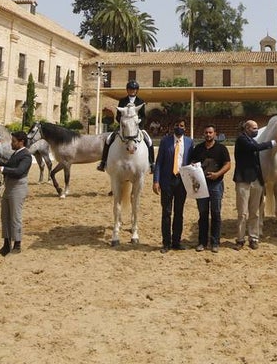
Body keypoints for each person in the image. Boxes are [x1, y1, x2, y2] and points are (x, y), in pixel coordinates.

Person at [233, 118, 276, 250]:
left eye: (257, 128)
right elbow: (254, 148)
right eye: (254, 128)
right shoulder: (242, 140)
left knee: (255, 212)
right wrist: (270, 143)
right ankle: (240, 239)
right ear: (247, 129)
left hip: (256, 180)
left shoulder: (251, 140)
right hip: (243, 180)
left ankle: (253, 237)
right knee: (242, 213)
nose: (256, 130)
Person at [190, 124, 231, 252]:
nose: (208, 135)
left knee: (216, 213)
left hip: (216, 185)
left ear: (215, 134)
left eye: (210, 132)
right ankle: (202, 242)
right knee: (202, 214)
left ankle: (215, 242)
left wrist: (218, 174)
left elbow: (228, 164)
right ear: (204, 134)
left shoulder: (221, 148)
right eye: (206, 132)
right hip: (201, 186)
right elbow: (192, 163)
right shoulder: (198, 148)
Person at [152, 118, 191, 253]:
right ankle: (166, 243)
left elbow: (192, 162)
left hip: (182, 182)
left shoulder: (189, 142)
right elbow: (159, 163)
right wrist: (156, 181)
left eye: (181, 126)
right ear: (172, 127)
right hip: (167, 181)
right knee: (166, 213)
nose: (179, 127)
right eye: (176, 125)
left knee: (179, 213)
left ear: (185, 128)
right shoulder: (165, 141)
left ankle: (176, 241)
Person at [97, 80, 154, 171]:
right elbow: (118, 116)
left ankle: (152, 164)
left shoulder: (141, 101)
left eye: (134, 89)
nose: (132, 91)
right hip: (123, 127)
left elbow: (143, 116)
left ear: (137, 90)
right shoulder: (122, 101)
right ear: (127, 90)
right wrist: (123, 123)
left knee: (149, 141)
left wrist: (139, 124)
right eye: (131, 89)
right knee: (108, 140)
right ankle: (103, 162)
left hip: (137, 127)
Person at [0, 131, 32, 255]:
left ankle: (17, 244)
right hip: (10, 186)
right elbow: (10, 165)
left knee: (15, 216)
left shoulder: (26, 155)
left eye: (14, 141)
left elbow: (19, 171)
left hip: (18, 187)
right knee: (5, 216)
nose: (12, 143)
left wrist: (1, 168)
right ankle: (6, 243)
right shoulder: (17, 154)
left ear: (21, 142)